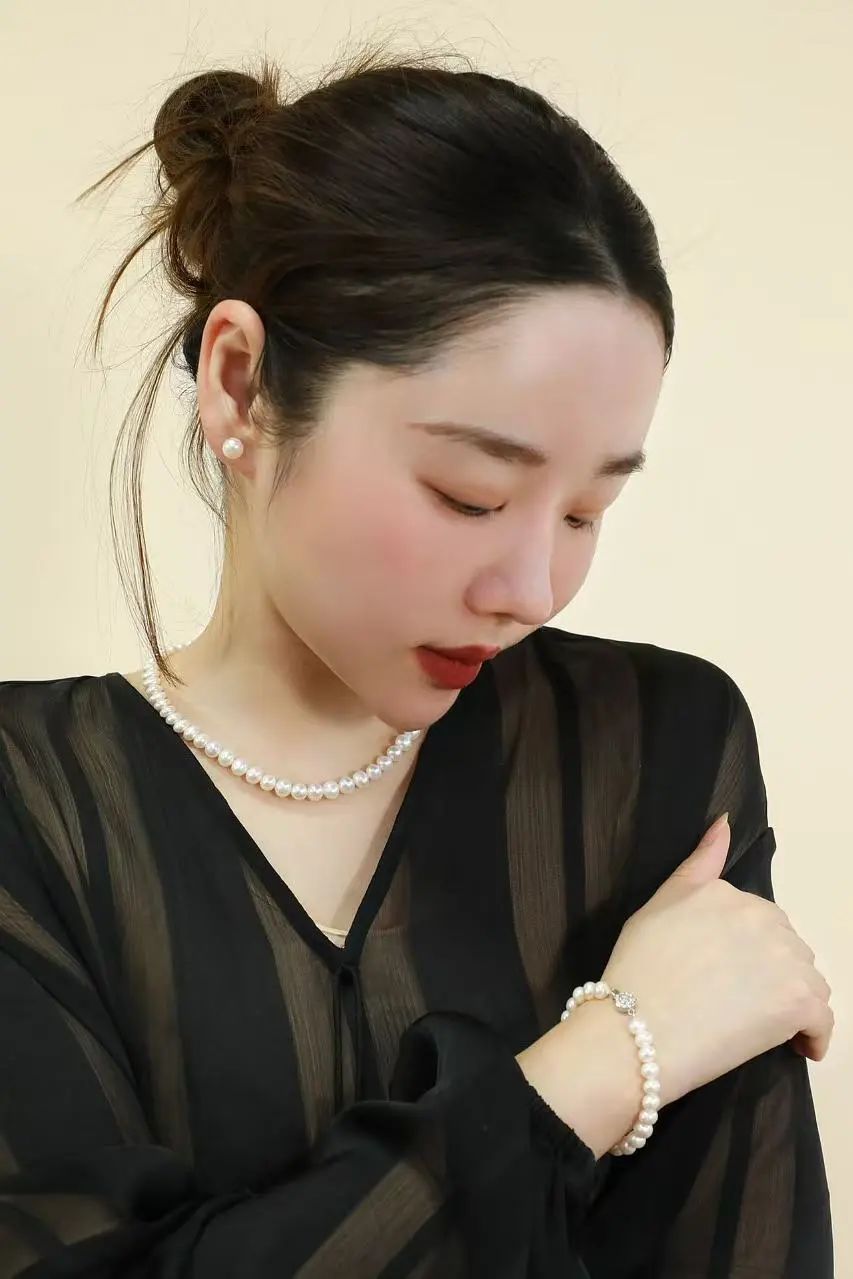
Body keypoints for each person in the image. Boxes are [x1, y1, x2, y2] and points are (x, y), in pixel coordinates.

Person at [0, 42, 833, 1278]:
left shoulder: (654, 752)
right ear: (239, 383)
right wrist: (604, 1063)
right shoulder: (29, 805)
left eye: (587, 512)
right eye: (469, 493)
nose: (531, 591)